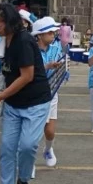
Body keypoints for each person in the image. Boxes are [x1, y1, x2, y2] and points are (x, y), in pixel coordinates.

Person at [0, 4, 51, 184]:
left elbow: (26, 77)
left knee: (28, 146)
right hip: (14, 103)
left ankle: (22, 179)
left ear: (11, 23)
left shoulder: (23, 41)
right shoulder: (4, 40)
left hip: (35, 102)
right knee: (7, 148)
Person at [30, 16, 66, 168]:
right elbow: (29, 71)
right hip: (34, 93)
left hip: (51, 92)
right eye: (50, 32)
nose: (54, 34)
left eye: (54, 32)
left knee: (50, 131)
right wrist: (46, 67)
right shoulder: (30, 50)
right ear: (39, 35)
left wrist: (63, 69)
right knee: (33, 132)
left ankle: (48, 149)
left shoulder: (57, 48)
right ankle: (29, 161)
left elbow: (62, 66)